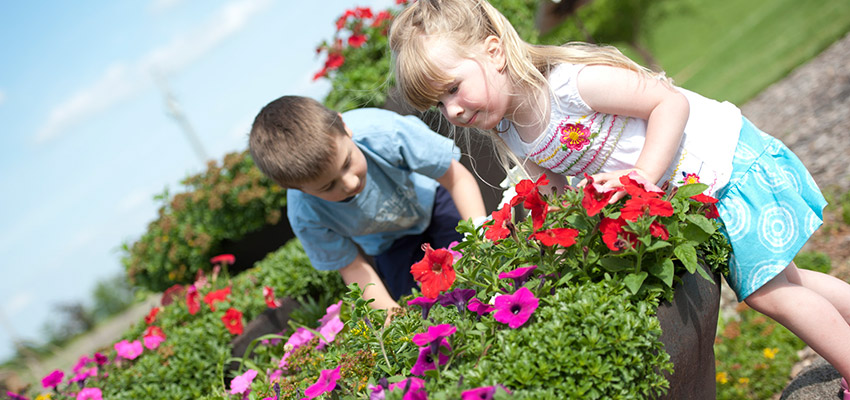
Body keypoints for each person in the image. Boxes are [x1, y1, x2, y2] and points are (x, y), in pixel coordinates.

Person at [388, 0, 850, 394]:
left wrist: (644, 175)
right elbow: (550, 191)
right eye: (438, 104)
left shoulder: (569, 85)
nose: (453, 110)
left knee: (769, 294)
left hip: (723, 166)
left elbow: (669, 102)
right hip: (701, 185)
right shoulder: (513, 129)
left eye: (452, 88)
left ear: (494, 52)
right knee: (790, 283)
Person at [248, 95, 487, 313]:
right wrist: (393, 317)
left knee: (473, 269)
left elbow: (454, 177)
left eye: (347, 163)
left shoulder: (384, 133)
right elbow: (353, 268)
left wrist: (480, 236)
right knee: (420, 306)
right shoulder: (305, 214)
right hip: (389, 244)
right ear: (298, 189)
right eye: (328, 186)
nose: (350, 183)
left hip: (434, 201)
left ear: (345, 128)